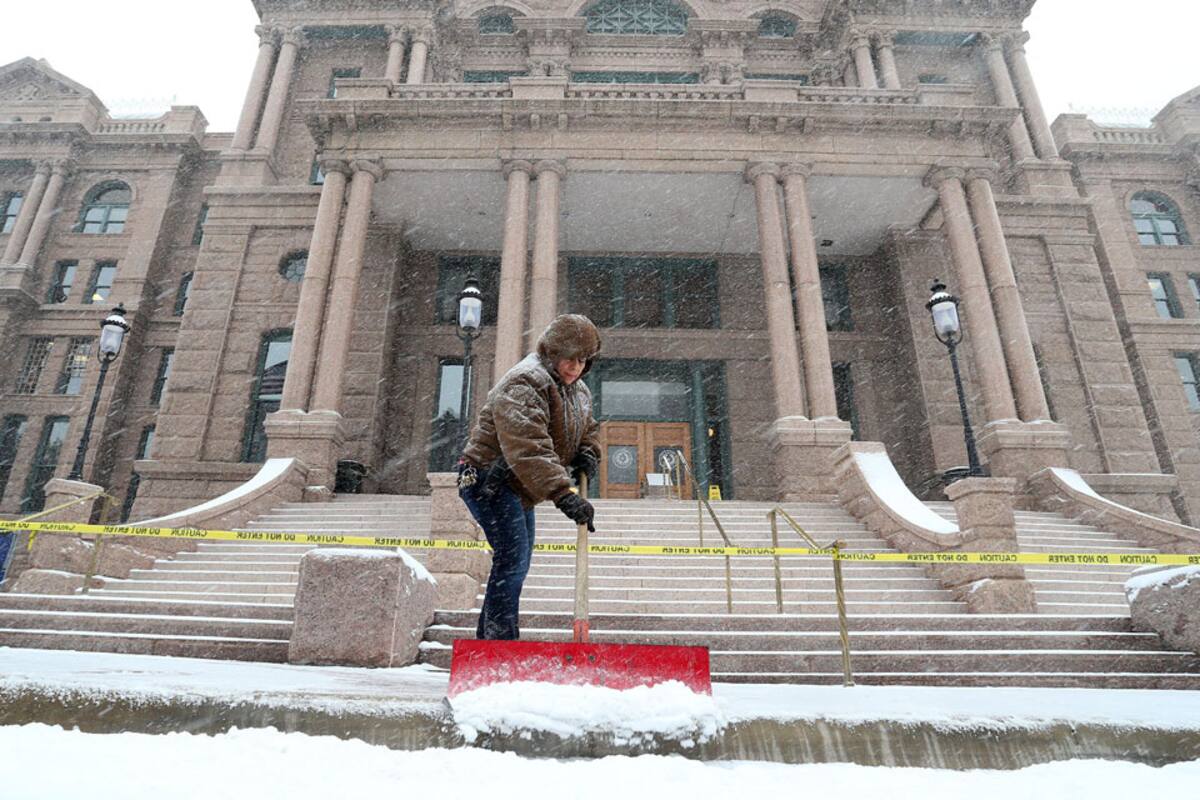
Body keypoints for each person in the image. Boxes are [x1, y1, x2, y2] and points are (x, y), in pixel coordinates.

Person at [458, 314, 602, 641]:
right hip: (488, 478)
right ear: (552, 352)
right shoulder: (525, 381)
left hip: (519, 486)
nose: (575, 367)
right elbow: (528, 445)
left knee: (516, 563)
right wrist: (563, 493)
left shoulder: (578, 393)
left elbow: (589, 428)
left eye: (583, 360)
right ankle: (499, 644)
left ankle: (491, 643)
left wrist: (588, 452)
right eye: (568, 358)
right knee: (512, 560)